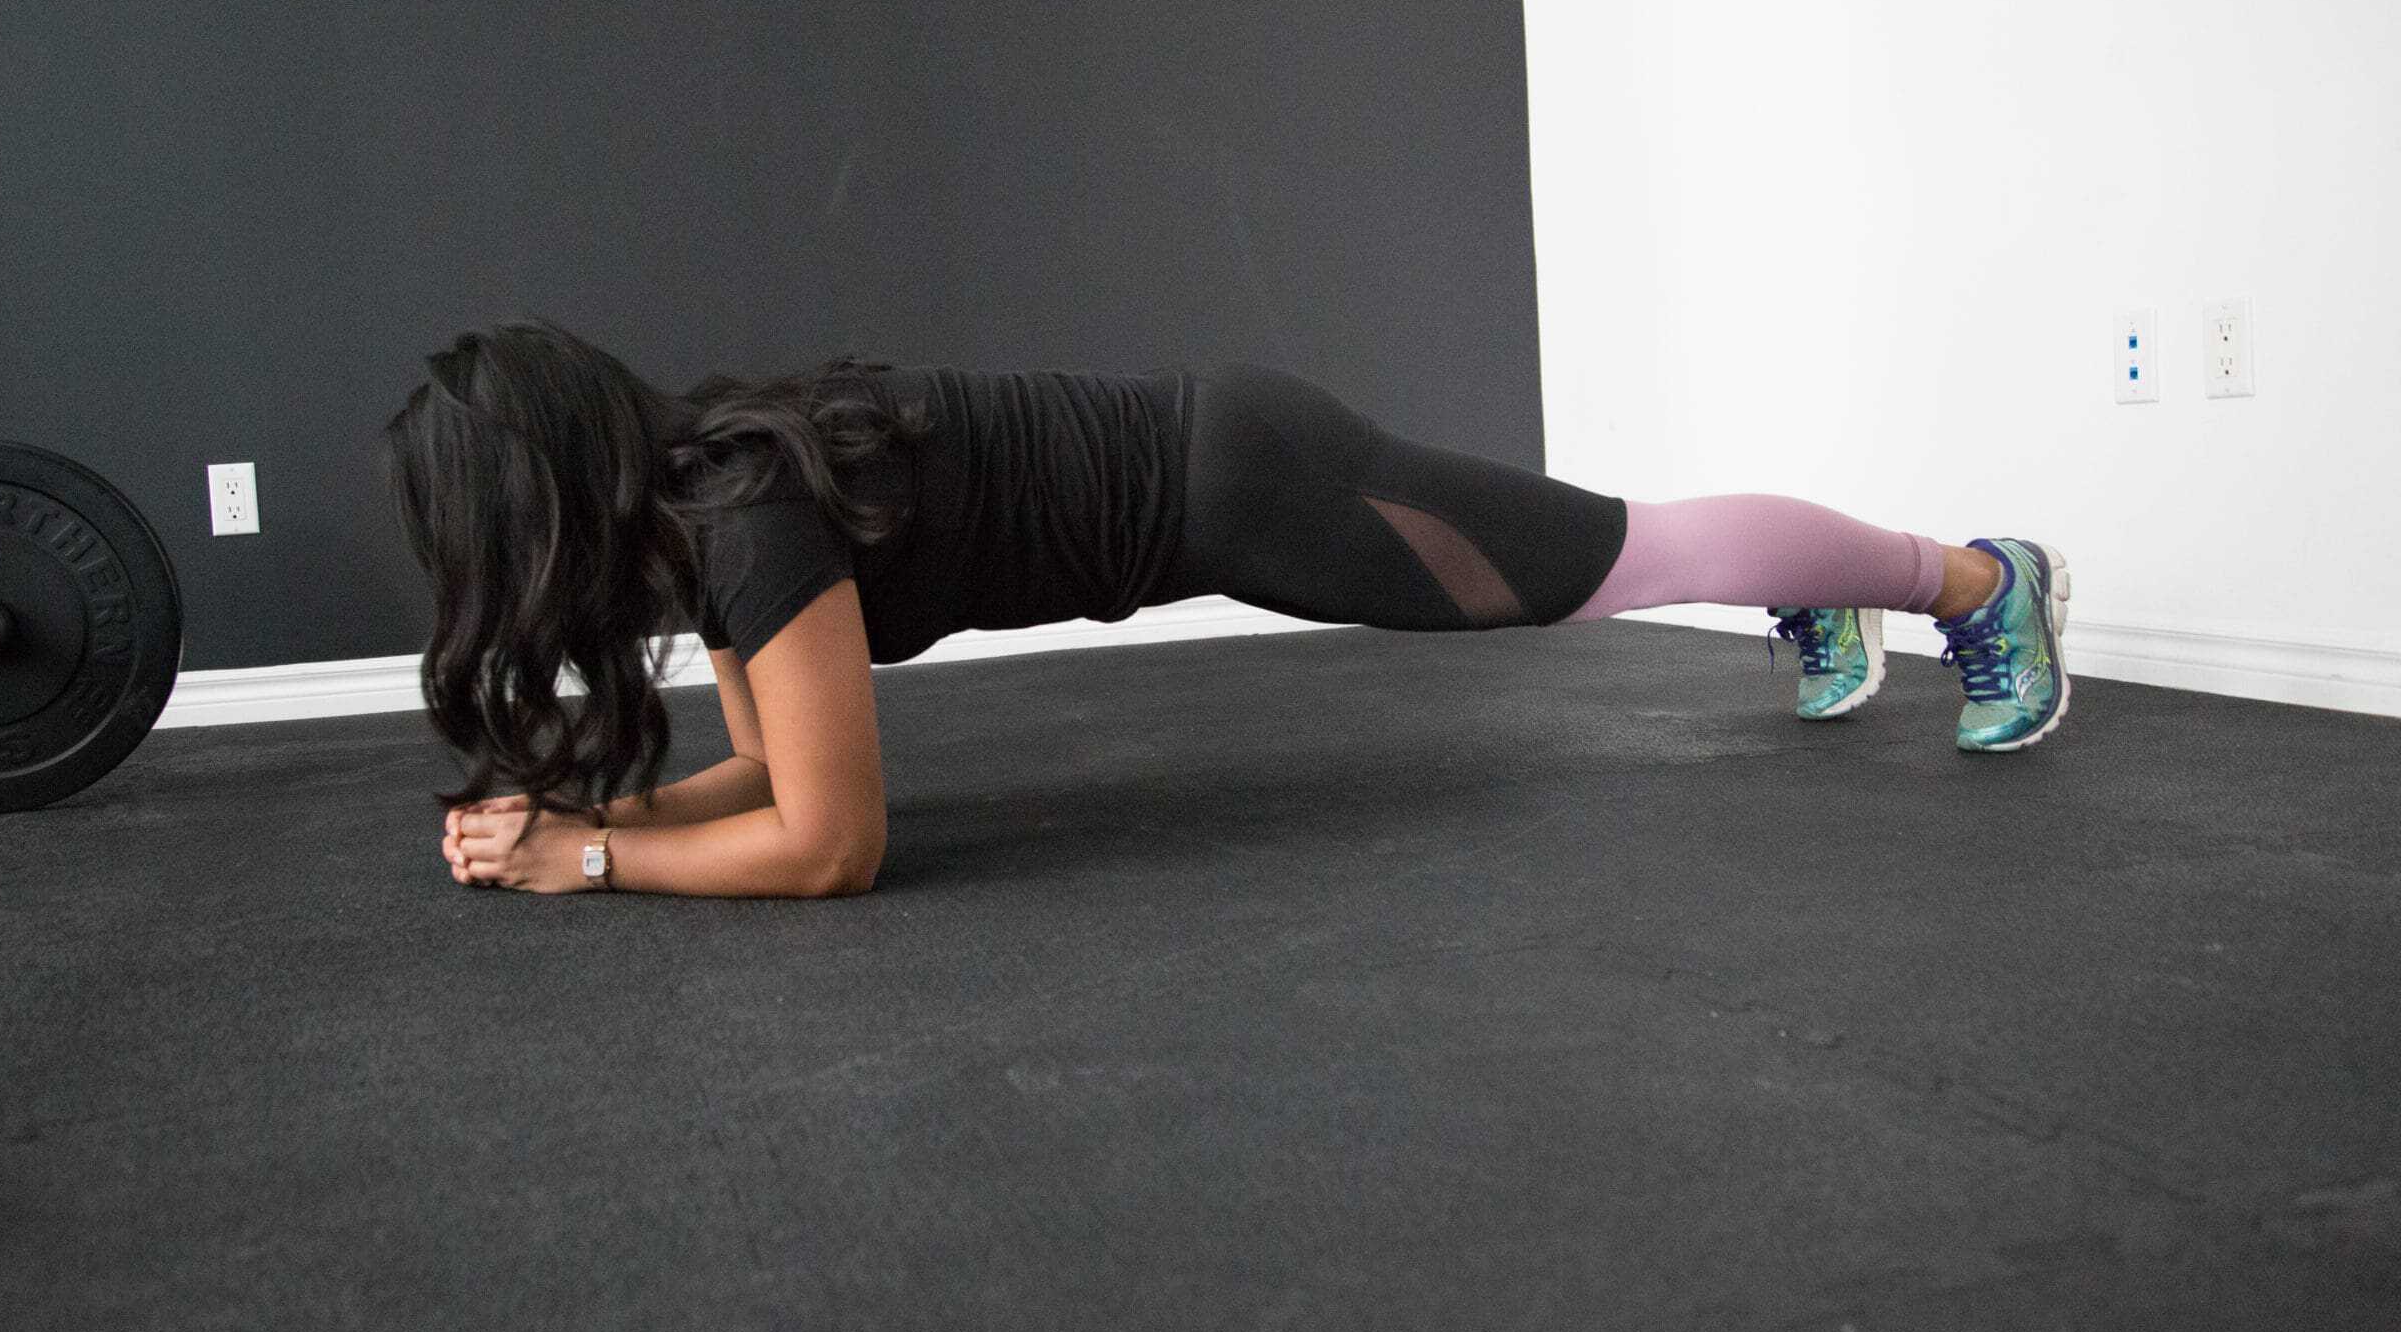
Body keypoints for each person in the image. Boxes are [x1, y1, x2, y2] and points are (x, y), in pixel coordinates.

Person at [382, 320, 2070, 899]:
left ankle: (1980, 583)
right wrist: (589, 822)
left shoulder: (746, 519)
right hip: (1226, 466)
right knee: (1624, 558)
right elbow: (771, 780)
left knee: (1620, 561)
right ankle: (1822, 593)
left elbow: (830, 846)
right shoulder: (707, 504)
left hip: (1252, 484)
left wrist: (588, 862)